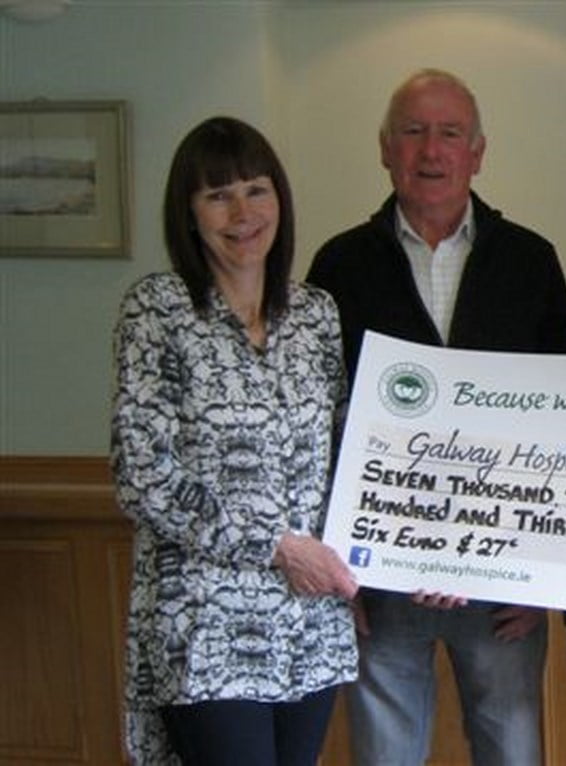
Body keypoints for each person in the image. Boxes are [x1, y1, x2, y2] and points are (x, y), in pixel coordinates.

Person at [306, 69, 566, 766]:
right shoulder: (338, 265)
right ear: (385, 149)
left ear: (477, 152)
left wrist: (542, 576)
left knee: (512, 750)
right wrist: (338, 566)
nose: (432, 150)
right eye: (414, 132)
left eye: (450, 133)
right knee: (385, 753)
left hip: (502, 582)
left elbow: (564, 424)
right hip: (380, 579)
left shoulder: (530, 261)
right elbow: (318, 424)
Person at [110, 116, 358, 765]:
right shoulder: (157, 311)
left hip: (310, 621)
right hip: (204, 621)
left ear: (280, 199)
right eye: (217, 195)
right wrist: (277, 547)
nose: (242, 212)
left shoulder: (317, 315)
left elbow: (346, 456)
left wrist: (393, 555)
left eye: (256, 189)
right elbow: (143, 475)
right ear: (188, 214)